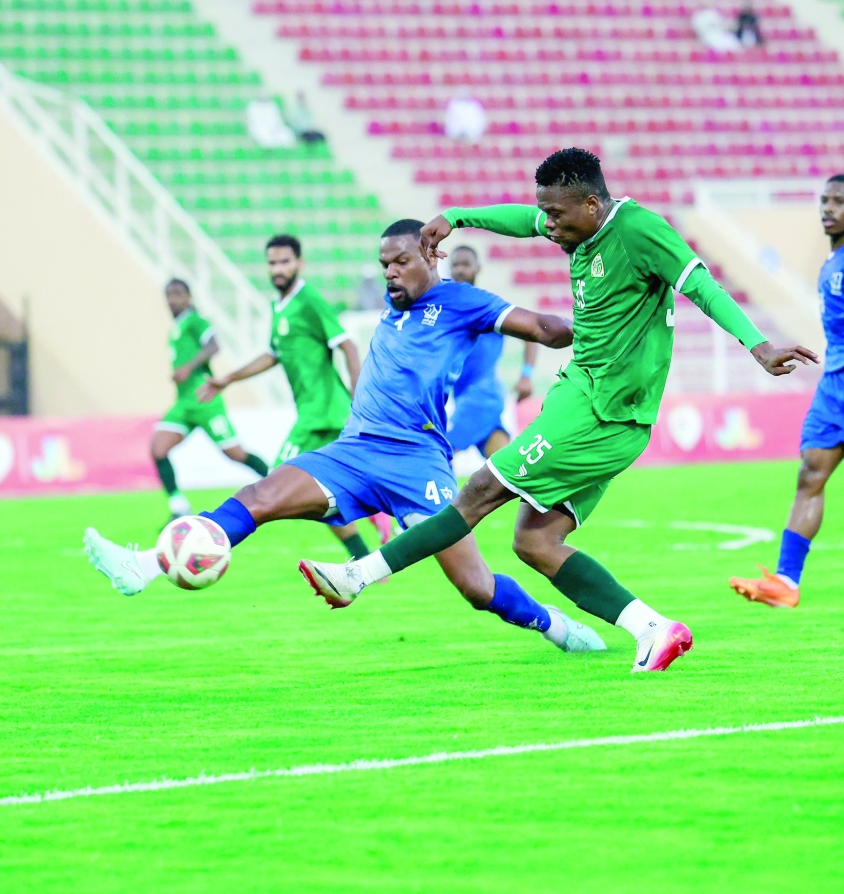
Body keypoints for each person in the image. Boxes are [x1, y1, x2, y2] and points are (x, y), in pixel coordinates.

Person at [299, 149, 818, 672]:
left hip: (600, 411)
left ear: (592, 204)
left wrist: (758, 346)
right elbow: (524, 220)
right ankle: (654, 629)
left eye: (557, 215)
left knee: (478, 491)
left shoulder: (641, 231)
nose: (548, 226)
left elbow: (701, 286)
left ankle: (357, 576)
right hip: (588, 402)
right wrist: (456, 217)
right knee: (535, 541)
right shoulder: (575, 223)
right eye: (545, 213)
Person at [83, 220, 606, 657]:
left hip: (417, 461)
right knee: (259, 496)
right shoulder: (395, 303)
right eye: (384, 265)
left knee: (475, 587)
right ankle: (144, 566)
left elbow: (540, 326)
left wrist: (599, 331)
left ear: (430, 254)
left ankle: (556, 628)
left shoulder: (461, 302)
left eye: (401, 261)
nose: (391, 273)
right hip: (353, 452)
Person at [731, 175, 844, 608]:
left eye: (840, 201)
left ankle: (787, 580)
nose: (828, 208)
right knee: (811, 472)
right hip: (835, 386)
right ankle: (786, 582)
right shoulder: (833, 260)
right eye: (824, 200)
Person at [199, 233, 386, 558]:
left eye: (285, 261)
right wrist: (228, 378)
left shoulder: (309, 299)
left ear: (300, 263)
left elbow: (347, 343)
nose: (278, 269)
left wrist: (360, 394)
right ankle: (367, 544)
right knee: (317, 491)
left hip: (323, 415)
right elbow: (273, 354)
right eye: (272, 263)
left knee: (277, 483)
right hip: (315, 415)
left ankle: (214, 532)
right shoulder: (279, 307)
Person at [152, 279, 269, 520]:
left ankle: (278, 482)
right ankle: (178, 507)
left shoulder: (196, 321)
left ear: (189, 297)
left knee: (236, 454)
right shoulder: (177, 328)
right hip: (184, 403)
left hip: (205, 400)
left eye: (177, 294)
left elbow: (215, 345)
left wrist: (188, 367)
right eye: (168, 295)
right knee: (158, 448)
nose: (172, 300)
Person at [447, 244, 538, 459]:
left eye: (466, 264)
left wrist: (526, 375)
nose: (460, 269)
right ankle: (549, 491)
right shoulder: (447, 309)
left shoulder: (489, 307)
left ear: (478, 268)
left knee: (440, 455)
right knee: (503, 471)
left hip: (481, 396)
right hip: (465, 396)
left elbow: (531, 331)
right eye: (455, 264)